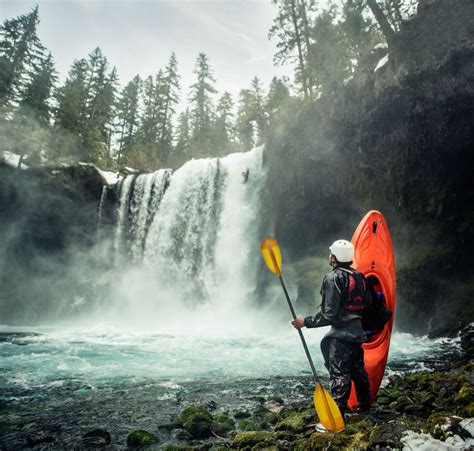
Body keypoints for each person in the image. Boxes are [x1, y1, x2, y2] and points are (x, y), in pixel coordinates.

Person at [291, 239, 371, 424]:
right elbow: (367, 305)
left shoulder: (333, 277)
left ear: (334, 257)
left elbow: (329, 314)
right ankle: (365, 406)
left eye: (330, 254)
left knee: (339, 374)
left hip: (341, 335)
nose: (329, 256)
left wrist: (307, 322)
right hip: (357, 333)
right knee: (358, 370)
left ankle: (336, 419)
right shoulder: (359, 276)